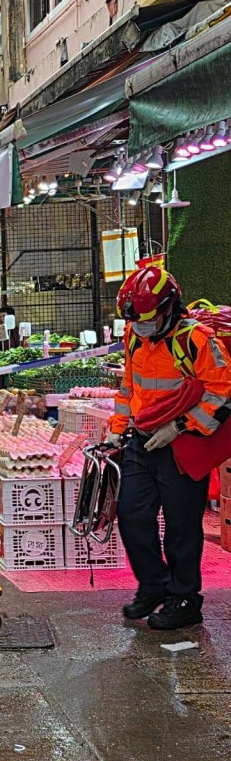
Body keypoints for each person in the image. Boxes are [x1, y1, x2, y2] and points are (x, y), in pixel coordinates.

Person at [106, 268, 231, 630]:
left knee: (181, 528)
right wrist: (117, 430)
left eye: (147, 319)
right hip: (142, 441)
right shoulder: (135, 336)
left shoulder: (197, 339)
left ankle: (185, 599)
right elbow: (129, 388)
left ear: (169, 308)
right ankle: (154, 585)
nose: (141, 326)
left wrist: (179, 427)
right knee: (131, 515)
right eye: (135, 320)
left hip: (183, 445)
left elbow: (222, 393)